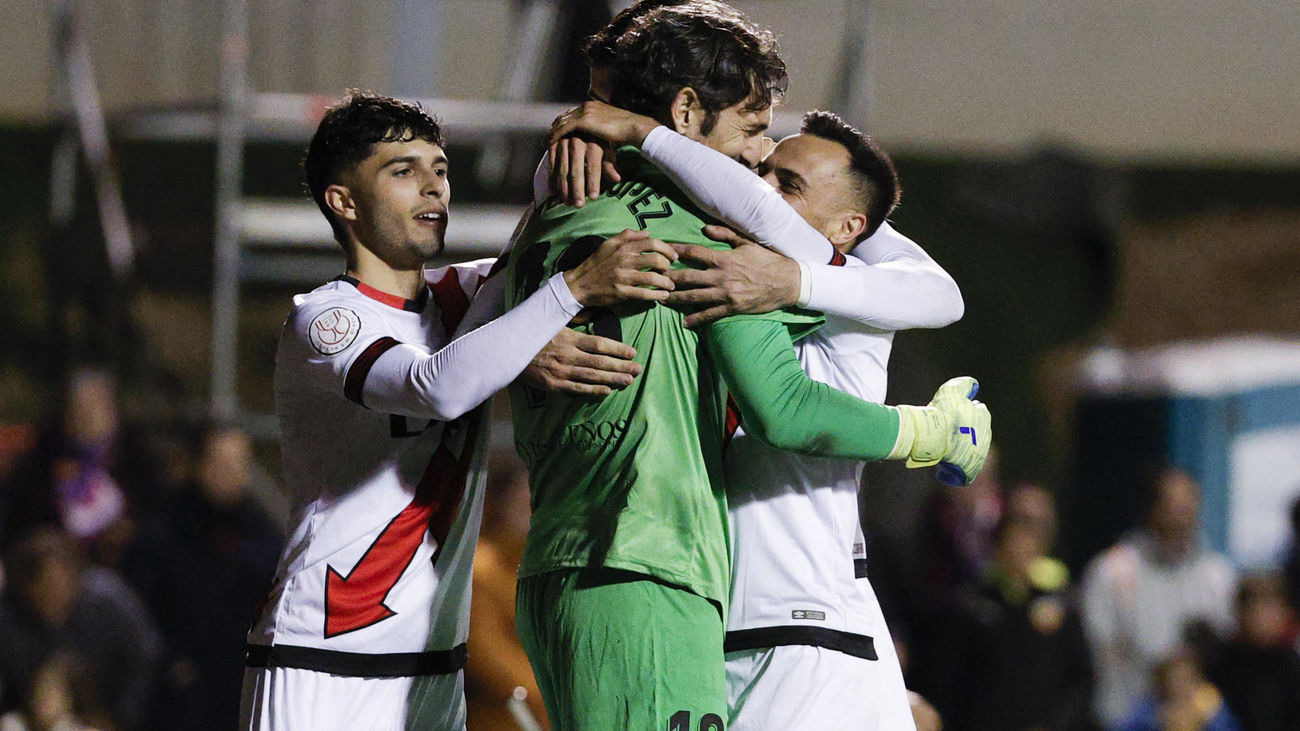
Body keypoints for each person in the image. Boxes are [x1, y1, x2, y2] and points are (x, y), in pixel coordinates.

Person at [504, 7, 990, 729]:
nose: (759, 167)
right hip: (654, 570)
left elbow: (938, 295)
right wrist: (926, 432)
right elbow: (784, 405)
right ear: (689, 111)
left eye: (784, 172)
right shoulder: (711, 244)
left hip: (785, 622)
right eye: (757, 131)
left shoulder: (568, 212)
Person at [239, 91, 683, 731]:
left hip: (437, 670)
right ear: (344, 202)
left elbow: (532, 237)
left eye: (440, 169)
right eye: (403, 171)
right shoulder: (328, 318)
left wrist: (574, 143)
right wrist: (570, 291)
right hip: (323, 659)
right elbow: (438, 385)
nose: (433, 189)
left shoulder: (469, 295)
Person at [1080, 466, 1236, 727]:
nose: (1181, 517)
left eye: (1189, 506)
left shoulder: (1217, 574)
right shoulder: (1112, 571)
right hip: (1128, 718)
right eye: (1172, 506)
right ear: (1152, 509)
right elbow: (1096, 658)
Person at [0, 529, 162, 731]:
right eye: (44, 588)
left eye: (60, 582)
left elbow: (144, 655)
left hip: (114, 712)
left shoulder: (106, 598)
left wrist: (120, 719)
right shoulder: (8, 617)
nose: (55, 594)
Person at [1203, 573, 1300, 731]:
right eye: (1260, 609)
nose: (1267, 619)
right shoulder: (1219, 661)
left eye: (1274, 609)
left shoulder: (1290, 663)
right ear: (1241, 614)